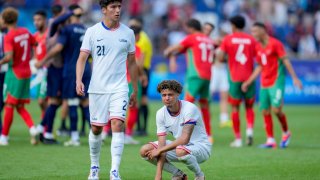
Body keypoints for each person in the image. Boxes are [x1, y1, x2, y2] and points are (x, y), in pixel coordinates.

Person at [76, 0, 139, 179]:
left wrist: (134, 88)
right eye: (113, 7)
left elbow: (132, 63)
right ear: (104, 10)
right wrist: (78, 80)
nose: (117, 10)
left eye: (119, 7)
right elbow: (82, 59)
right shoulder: (92, 32)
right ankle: (94, 167)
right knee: (96, 128)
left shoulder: (128, 33)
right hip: (97, 89)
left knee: (117, 124)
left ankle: (114, 171)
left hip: (119, 88)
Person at [242, 22, 303, 148]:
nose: (253, 34)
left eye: (255, 31)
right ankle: (270, 140)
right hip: (264, 82)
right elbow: (259, 66)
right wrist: (248, 81)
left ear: (263, 31)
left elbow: (285, 61)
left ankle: (286, 132)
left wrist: (295, 78)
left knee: (276, 109)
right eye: (252, 32)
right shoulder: (258, 47)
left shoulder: (275, 44)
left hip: (276, 81)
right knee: (265, 110)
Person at [36, 4, 90, 146]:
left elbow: (59, 48)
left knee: (65, 101)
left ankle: (49, 131)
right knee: (78, 102)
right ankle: (95, 135)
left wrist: (42, 61)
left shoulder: (66, 29)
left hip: (68, 69)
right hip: (81, 69)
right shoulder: (85, 30)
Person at [140, 80, 211, 180]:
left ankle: (199, 175)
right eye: (163, 95)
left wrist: (159, 150)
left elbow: (184, 139)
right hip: (181, 147)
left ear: (178, 94)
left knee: (180, 151)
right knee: (145, 150)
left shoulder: (190, 109)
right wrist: (158, 175)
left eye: (170, 94)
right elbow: (162, 144)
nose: (167, 98)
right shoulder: (160, 113)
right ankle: (178, 174)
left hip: (201, 148)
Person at [164, 19, 215, 143]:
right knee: (204, 105)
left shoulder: (192, 38)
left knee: (186, 105)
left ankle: (182, 134)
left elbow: (175, 48)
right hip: (207, 75)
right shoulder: (209, 40)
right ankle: (208, 135)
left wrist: (168, 52)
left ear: (191, 28)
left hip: (195, 75)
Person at [216, 15, 256, 147]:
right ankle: (249, 132)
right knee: (249, 106)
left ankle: (238, 139)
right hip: (249, 77)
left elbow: (220, 57)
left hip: (235, 78)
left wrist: (228, 59)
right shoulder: (251, 39)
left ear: (233, 25)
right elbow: (257, 56)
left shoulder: (228, 39)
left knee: (235, 108)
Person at [0, 7, 38, 145]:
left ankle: (3, 137)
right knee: (20, 106)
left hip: (14, 74)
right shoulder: (25, 31)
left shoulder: (8, 36)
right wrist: (31, 58)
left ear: (5, 20)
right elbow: (36, 43)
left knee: (9, 104)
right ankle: (33, 129)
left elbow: (8, 56)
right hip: (26, 72)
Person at [35, 4, 66, 144]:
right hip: (55, 67)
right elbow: (57, 48)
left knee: (57, 101)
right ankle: (46, 132)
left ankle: (42, 127)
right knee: (53, 101)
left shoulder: (53, 27)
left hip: (56, 67)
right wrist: (43, 61)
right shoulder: (55, 24)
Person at [203, 22, 232, 128]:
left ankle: (224, 119)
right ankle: (205, 116)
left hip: (223, 70)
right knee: (208, 96)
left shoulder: (227, 43)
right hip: (214, 69)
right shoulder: (215, 41)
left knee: (224, 95)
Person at [128, 17, 153, 136]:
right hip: (136, 75)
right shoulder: (141, 42)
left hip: (135, 73)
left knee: (138, 101)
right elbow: (138, 63)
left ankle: (139, 128)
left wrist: (142, 74)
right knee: (138, 102)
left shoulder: (141, 41)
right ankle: (137, 129)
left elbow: (138, 64)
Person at [124, 25, 148, 144]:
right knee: (134, 107)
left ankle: (106, 131)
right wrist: (143, 75)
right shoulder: (137, 48)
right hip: (131, 81)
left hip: (119, 80)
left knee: (116, 108)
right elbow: (138, 65)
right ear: (136, 36)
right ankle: (127, 134)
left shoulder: (121, 46)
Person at [32, 10, 48, 119]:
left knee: (42, 100)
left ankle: (46, 127)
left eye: (39, 20)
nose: (36, 22)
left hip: (48, 71)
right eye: (34, 20)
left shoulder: (49, 35)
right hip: (39, 73)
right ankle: (45, 126)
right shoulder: (35, 36)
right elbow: (34, 55)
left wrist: (42, 63)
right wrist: (33, 64)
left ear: (44, 20)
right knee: (41, 102)